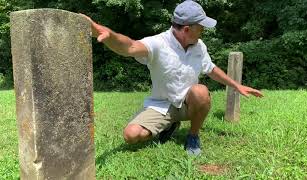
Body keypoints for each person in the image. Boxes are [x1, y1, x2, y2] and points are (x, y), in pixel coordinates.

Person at [81, 0, 263, 155]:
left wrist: (236, 86)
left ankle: (192, 136)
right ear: (186, 29)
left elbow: (211, 69)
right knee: (131, 135)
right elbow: (129, 47)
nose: (203, 31)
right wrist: (103, 32)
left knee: (200, 91)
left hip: (187, 104)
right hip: (161, 106)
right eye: (200, 27)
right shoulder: (158, 43)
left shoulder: (199, 46)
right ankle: (169, 125)